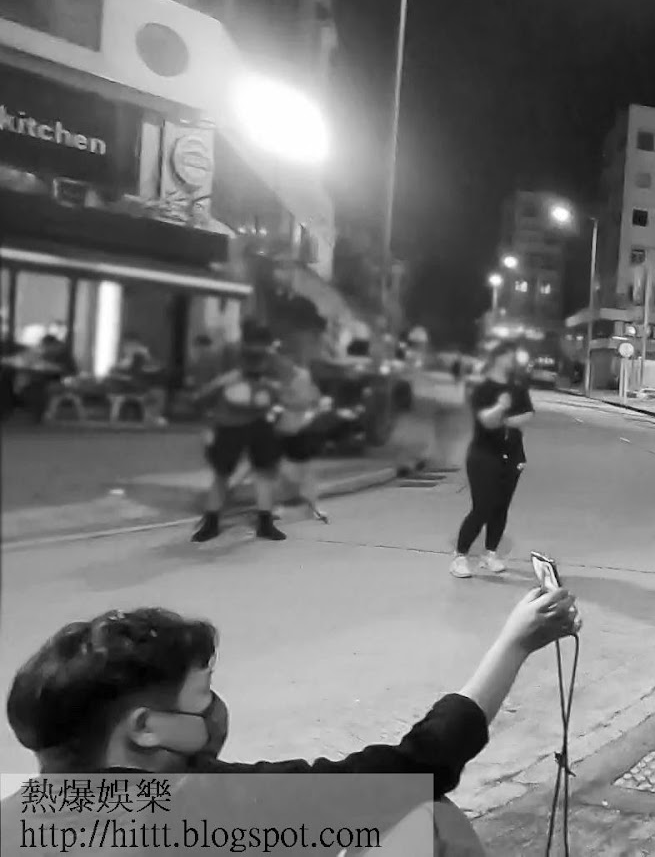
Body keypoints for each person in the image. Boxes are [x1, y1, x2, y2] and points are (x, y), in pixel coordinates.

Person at [3, 591, 579, 848]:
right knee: (429, 821)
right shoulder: (210, 808)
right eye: (202, 695)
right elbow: (415, 768)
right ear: (144, 728)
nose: (214, 710)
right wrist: (514, 644)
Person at [190, 322, 288, 543]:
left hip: (260, 422)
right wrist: (208, 423)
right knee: (223, 473)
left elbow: (284, 389)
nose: (258, 351)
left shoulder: (272, 360)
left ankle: (264, 523)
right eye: (254, 345)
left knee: (263, 472)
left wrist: (272, 389)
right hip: (229, 423)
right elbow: (202, 395)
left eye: (262, 346)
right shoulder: (225, 356)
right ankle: (211, 523)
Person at [452, 342, 536, 579]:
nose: (512, 361)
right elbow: (485, 421)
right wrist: (500, 407)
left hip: (512, 456)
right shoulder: (483, 389)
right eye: (509, 356)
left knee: (501, 507)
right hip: (483, 455)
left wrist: (507, 421)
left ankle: (490, 554)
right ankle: (460, 556)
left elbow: (528, 414)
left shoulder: (518, 387)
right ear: (497, 358)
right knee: (482, 507)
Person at [272, 344, 331, 523]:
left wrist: (283, 400)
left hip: (298, 427)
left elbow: (305, 400)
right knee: (278, 468)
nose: (280, 362)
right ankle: (278, 505)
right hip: (279, 427)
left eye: (283, 358)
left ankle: (313, 506)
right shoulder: (276, 376)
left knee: (303, 468)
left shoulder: (301, 377)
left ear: (290, 359)